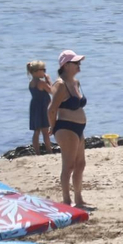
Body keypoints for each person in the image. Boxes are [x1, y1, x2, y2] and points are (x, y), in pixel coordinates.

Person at [46, 50, 90, 207]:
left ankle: (78, 199)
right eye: (76, 63)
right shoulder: (61, 84)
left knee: (80, 164)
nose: (79, 65)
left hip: (79, 128)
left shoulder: (76, 83)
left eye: (79, 62)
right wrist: (53, 127)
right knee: (69, 165)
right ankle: (66, 200)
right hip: (66, 127)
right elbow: (51, 109)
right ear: (66, 65)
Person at [27, 60, 54, 153]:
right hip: (43, 108)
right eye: (43, 70)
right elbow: (52, 91)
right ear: (35, 72)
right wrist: (49, 80)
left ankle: (37, 152)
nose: (45, 72)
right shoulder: (41, 83)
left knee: (36, 131)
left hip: (34, 107)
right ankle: (49, 150)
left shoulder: (31, 82)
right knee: (45, 131)